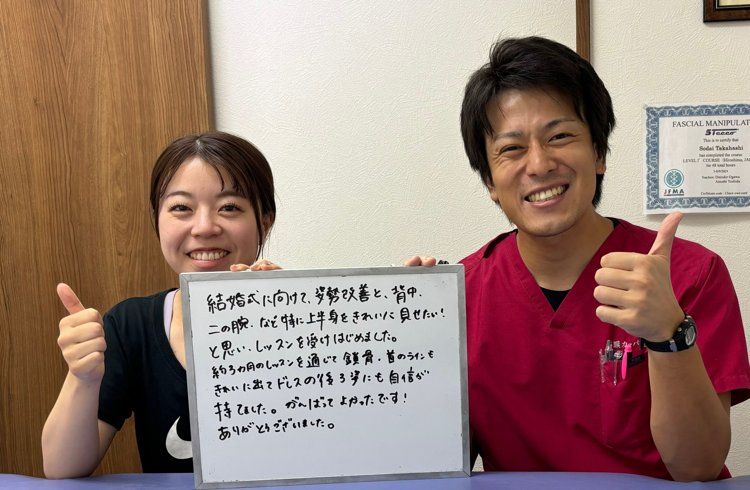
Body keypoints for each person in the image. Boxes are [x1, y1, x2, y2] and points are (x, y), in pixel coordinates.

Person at [407, 36, 750, 481]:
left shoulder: (689, 273)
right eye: (511, 149)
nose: (539, 164)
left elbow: (697, 465)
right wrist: (414, 353)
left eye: (560, 136)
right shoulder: (460, 296)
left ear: (599, 154)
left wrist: (668, 335)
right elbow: (438, 465)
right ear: (490, 181)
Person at [42, 132, 280, 478]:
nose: (204, 227)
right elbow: (61, 469)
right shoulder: (130, 326)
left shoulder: (309, 323)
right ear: (157, 220)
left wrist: (286, 327)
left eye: (229, 207)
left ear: (264, 222)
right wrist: (83, 377)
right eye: (181, 208)